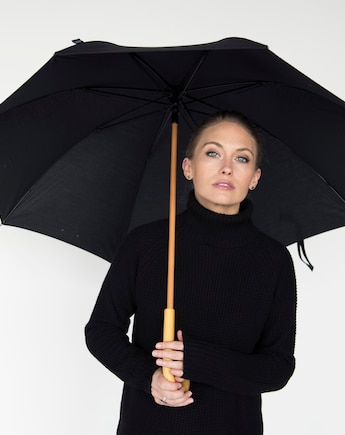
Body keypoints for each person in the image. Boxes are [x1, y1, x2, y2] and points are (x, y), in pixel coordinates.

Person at [85, 110, 297, 434]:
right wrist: (149, 377)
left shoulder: (273, 260)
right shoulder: (147, 243)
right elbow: (101, 330)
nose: (226, 167)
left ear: (254, 177)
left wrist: (198, 360)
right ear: (188, 167)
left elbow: (278, 367)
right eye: (212, 153)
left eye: (242, 158)